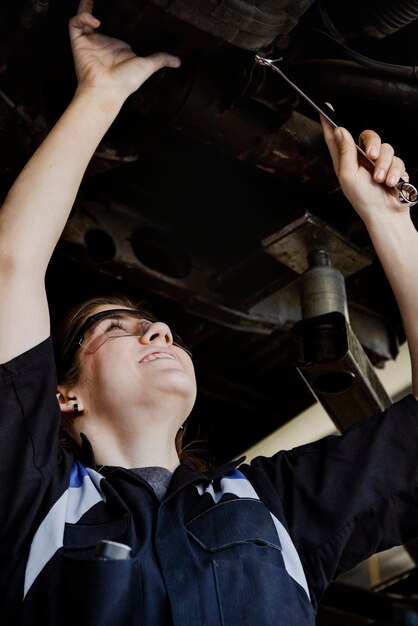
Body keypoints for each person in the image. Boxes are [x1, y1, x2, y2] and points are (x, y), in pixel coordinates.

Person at [1, 1, 418, 625]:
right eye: (115, 328)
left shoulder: (280, 507)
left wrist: (390, 222)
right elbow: (14, 262)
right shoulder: (30, 498)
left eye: (150, 325)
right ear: (64, 397)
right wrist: (101, 92)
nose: (159, 330)